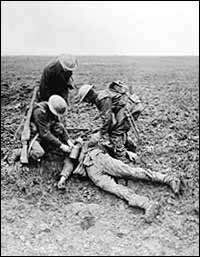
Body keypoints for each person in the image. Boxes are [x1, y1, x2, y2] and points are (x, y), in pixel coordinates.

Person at [57, 135, 181, 223]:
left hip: (98, 157)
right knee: (116, 189)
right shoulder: (69, 155)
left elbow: (104, 143)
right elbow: (68, 166)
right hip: (91, 172)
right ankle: (147, 204)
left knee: (131, 172)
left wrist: (126, 152)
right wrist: (62, 179)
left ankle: (168, 179)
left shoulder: (82, 140)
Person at [77, 81, 144, 163]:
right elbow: (108, 117)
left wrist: (100, 134)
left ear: (88, 97)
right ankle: (131, 147)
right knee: (118, 129)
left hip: (131, 109)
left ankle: (122, 158)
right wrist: (102, 129)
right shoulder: (100, 96)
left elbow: (108, 119)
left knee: (115, 133)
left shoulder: (102, 99)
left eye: (85, 100)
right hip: (131, 106)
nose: (87, 102)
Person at [12, 95, 75, 176]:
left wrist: (68, 141)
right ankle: (18, 152)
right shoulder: (39, 112)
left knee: (58, 127)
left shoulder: (53, 111)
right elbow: (45, 134)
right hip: (33, 135)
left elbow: (60, 126)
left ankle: (48, 146)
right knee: (39, 153)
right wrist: (61, 145)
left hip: (43, 131)